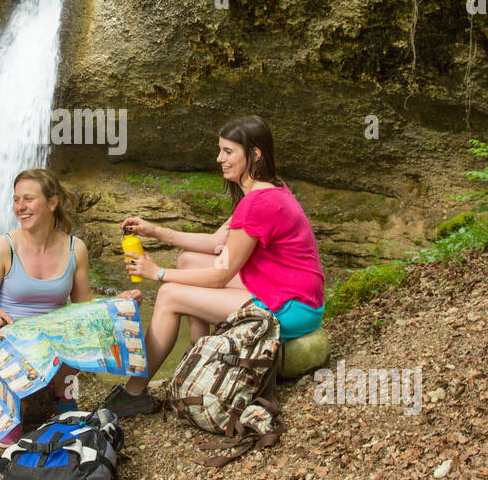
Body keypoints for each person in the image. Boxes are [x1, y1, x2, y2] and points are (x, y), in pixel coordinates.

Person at [105, 115, 325, 418]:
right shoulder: (265, 189)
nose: (219, 158)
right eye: (220, 150)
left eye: (228, 151)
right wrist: (154, 231)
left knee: (170, 295)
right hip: (283, 288)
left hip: (292, 306)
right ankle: (198, 352)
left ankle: (132, 393)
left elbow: (222, 274)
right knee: (187, 259)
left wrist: (156, 273)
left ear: (255, 154)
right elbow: (214, 243)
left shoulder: (259, 203)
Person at [0, 169, 140, 437]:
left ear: (52, 203)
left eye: (28, 199)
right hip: (14, 342)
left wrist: (116, 304)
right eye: (16, 200)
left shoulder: (76, 248)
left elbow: (84, 306)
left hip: (58, 347)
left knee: (86, 323)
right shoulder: (3, 246)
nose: (20, 207)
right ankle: (14, 407)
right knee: (12, 430)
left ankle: (66, 399)